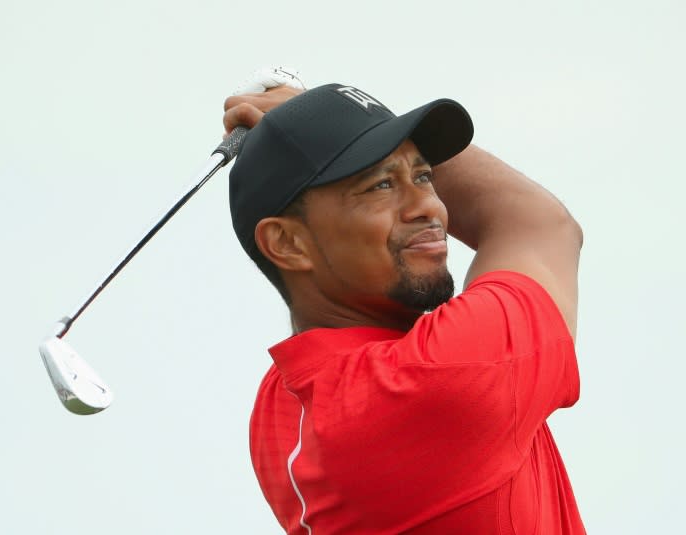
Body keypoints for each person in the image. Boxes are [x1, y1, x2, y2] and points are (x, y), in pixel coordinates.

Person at [223, 79, 584, 534]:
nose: (427, 206)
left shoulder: (282, 400)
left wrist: (324, 123)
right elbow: (536, 222)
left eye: (424, 175)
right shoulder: (434, 379)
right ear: (289, 243)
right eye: (379, 186)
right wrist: (309, 113)